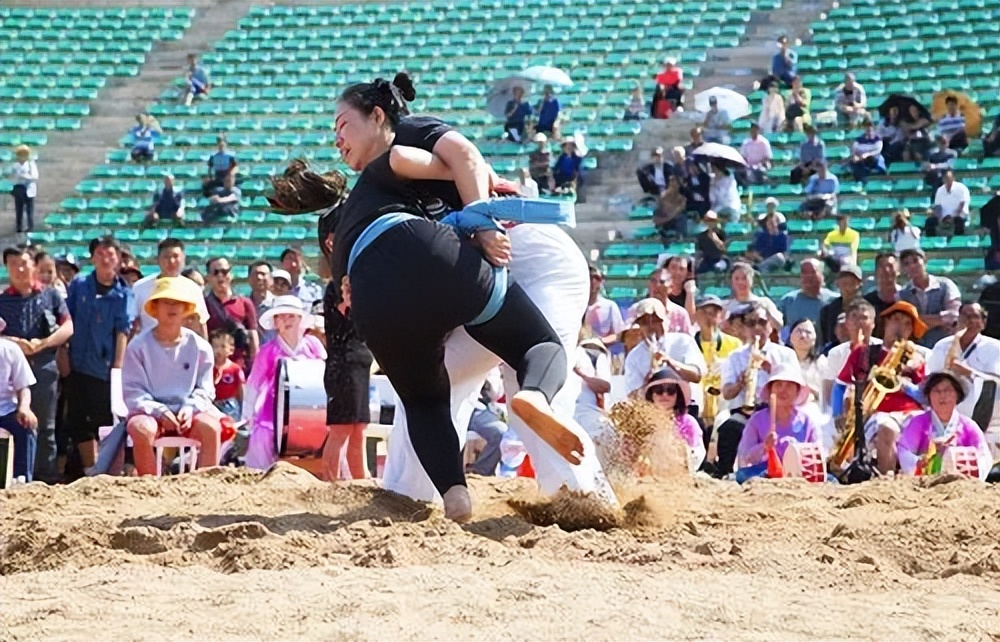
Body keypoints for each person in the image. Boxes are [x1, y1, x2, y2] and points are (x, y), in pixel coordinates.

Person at [328, 74, 608, 520]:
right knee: (432, 383)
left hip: (534, 259)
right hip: (469, 270)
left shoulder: (409, 132)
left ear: (377, 116)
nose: (337, 141)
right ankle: (411, 496)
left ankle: (582, 498)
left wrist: (480, 221)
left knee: (527, 381)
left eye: (343, 126)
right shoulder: (380, 183)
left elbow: (468, 156)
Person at [121, 277, 221, 476]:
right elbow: (133, 391)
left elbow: (205, 389)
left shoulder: (200, 347)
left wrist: (190, 408)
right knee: (140, 429)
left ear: (185, 310)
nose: (172, 307)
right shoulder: (137, 346)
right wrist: (159, 411)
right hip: (149, 412)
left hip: (189, 412)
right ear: (155, 309)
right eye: (166, 302)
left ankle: (207, 484)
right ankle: (150, 484)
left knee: (211, 428)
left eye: (178, 303)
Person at [0, 246, 74, 484]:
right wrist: (15, 343)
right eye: (13, 264)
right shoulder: (2, 299)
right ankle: (19, 475)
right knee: (17, 421)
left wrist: (43, 343)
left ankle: (46, 474)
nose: (19, 269)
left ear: (33, 265)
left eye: (23, 263)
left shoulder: (50, 295)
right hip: (8, 370)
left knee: (45, 424)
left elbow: (68, 326)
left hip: (44, 363)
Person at [832, 301, 929, 475]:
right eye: (896, 320)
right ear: (886, 322)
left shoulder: (917, 359)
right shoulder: (863, 353)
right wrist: (838, 413)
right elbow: (840, 385)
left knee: (927, 428)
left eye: (907, 324)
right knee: (886, 428)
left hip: (911, 413)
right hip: (875, 412)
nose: (900, 327)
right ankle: (886, 480)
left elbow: (924, 397)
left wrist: (904, 384)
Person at [65, 236, 133, 471]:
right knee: (78, 419)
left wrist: (117, 368)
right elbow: (67, 319)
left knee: (104, 420)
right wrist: (64, 353)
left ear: (119, 258)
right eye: (100, 254)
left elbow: (123, 331)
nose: (105, 259)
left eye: (110, 254)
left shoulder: (124, 293)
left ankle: (106, 469)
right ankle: (89, 470)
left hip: (104, 368)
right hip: (77, 363)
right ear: (92, 258)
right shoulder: (79, 285)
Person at [242, 296, 326, 470]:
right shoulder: (267, 351)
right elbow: (253, 385)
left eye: (291, 316)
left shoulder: (313, 345)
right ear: (275, 322)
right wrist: (247, 417)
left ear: (300, 319)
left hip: (311, 415)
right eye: (281, 316)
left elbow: (325, 376)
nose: (286, 320)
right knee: (262, 439)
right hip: (271, 415)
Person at [716, 302, 799, 476]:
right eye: (751, 323)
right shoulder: (735, 357)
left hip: (777, 412)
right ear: (744, 328)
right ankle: (726, 474)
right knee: (728, 429)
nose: (757, 328)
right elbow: (727, 393)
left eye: (762, 322)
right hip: (745, 412)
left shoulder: (786, 354)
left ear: (770, 326)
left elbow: (796, 385)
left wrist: (772, 370)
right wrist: (740, 384)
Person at [319, 275, 373, 482]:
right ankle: (330, 483)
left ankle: (362, 481)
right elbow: (345, 307)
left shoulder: (366, 282)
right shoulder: (338, 285)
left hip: (360, 363)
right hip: (343, 363)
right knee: (341, 428)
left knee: (359, 429)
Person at [897, 372, 992, 480]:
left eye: (947, 390)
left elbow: (984, 455)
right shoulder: (918, 422)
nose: (942, 395)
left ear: (957, 395)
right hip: (925, 482)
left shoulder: (969, 426)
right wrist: (925, 458)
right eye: (936, 391)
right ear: (929, 396)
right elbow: (904, 451)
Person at [735, 362, 821, 482]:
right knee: (743, 475)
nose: (783, 390)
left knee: (831, 480)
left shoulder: (806, 422)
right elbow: (746, 457)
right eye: (778, 385)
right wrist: (764, 447)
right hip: (765, 471)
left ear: (797, 391)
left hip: (799, 474)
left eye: (789, 386)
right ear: (771, 390)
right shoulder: (757, 420)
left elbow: (817, 456)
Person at [928, 303, 1000, 431]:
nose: (969, 320)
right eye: (965, 316)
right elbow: (929, 377)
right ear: (958, 319)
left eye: (975, 316)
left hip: (983, 415)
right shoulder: (942, 345)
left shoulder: (995, 347)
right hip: (944, 409)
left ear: (983, 323)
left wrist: (969, 372)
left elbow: (996, 382)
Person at [131, 239, 208, 338]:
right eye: (166, 257)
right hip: (149, 344)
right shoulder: (140, 287)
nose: (171, 261)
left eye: (175, 256)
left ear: (183, 258)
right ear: (158, 260)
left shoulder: (193, 289)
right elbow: (133, 323)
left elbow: (202, 325)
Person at [0, 314, 38, 482]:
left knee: (27, 425)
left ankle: (22, 478)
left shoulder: (11, 350)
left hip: (7, 409)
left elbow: (23, 386)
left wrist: (24, 407)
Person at [899, 248, 961, 348]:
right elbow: (905, 323)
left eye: (915, 261)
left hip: (946, 346)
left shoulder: (946, 285)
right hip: (917, 348)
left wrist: (918, 320)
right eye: (906, 264)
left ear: (924, 261)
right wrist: (940, 320)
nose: (912, 266)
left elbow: (954, 316)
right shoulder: (902, 294)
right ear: (903, 269)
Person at [643, 370, 706, 470]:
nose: (665, 395)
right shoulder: (642, 423)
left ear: (678, 395)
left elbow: (697, 455)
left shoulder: (688, 422)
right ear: (651, 395)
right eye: (659, 390)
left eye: (671, 390)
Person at [585, 266, 625, 349]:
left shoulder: (610, 306)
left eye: (597, 278)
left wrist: (600, 342)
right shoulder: (576, 306)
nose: (593, 281)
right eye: (590, 277)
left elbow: (618, 333)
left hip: (603, 351)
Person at [210, 330, 244, 421]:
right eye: (215, 346)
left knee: (229, 425)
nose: (218, 350)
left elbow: (241, 390)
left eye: (223, 346)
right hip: (213, 404)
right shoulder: (209, 367)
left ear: (231, 350)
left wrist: (243, 406)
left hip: (229, 405)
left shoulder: (235, 369)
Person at [9, 145, 38, 233]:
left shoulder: (31, 164)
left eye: (24, 154)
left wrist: (25, 176)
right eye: (20, 154)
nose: (22, 156)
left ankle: (30, 226)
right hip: (19, 188)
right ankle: (19, 227)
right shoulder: (15, 165)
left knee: (29, 209)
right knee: (19, 209)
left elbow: (35, 176)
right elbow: (11, 177)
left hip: (29, 189)